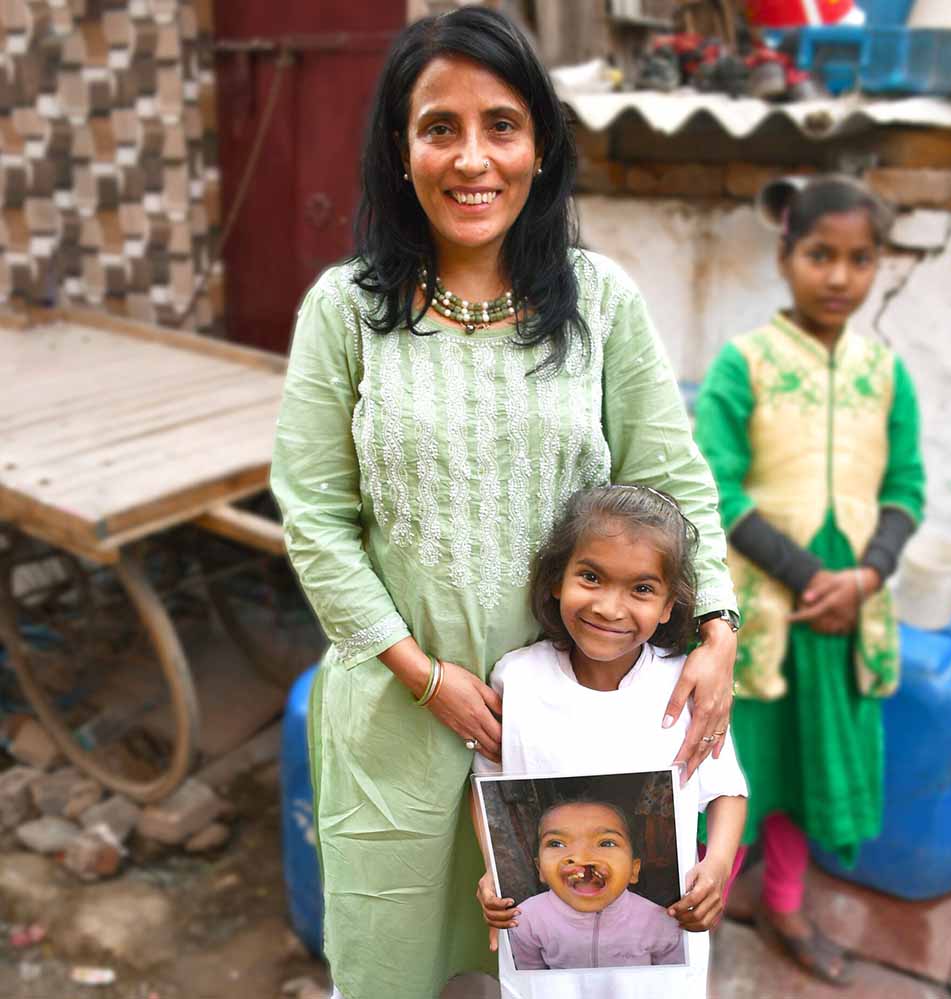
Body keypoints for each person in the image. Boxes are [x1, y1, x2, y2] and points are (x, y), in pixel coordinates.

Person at [269, 9, 739, 998]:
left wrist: (720, 629)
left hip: (574, 725)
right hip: (400, 724)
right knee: (389, 969)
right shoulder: (344, 311)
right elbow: (314, 516)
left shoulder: (599, 299)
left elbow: (669, 476)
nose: (472, 158)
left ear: (540, 147)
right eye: (439, 126)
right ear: (399, 151)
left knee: (575, 965)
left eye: (502, 125)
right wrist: (419, 673)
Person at [694, 175, 926, 986]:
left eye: (860, 259)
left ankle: (786, 903)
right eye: (820, 254)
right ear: (786, 255)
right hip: (761, 618)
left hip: (841, 619)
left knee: (803, 776)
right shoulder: (744, 364)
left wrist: (865, 576)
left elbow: (906, 487)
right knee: (737, 775)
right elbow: (712, 484)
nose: (839, 276)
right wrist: (805, 573)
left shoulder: (886, 373)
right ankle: (701, 915)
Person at [473, 485, 747, 998]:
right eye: (592, 577)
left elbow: (726, 788)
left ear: (669, 606)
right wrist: (494, 872)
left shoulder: (683, 689)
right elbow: (489, 788)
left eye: (641, 589)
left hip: (658, 958)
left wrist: (716, 866)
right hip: (546, 965)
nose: (610, 607)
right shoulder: (518, 680)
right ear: (557, 580)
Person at [509, 798, 684, 971]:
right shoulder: (527, 919)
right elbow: (530, 982)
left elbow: (676, 979)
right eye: (557, 843)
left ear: (633, 869)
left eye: (606, 843)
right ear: (540, 869)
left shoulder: (659, 922)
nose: (580, 857)